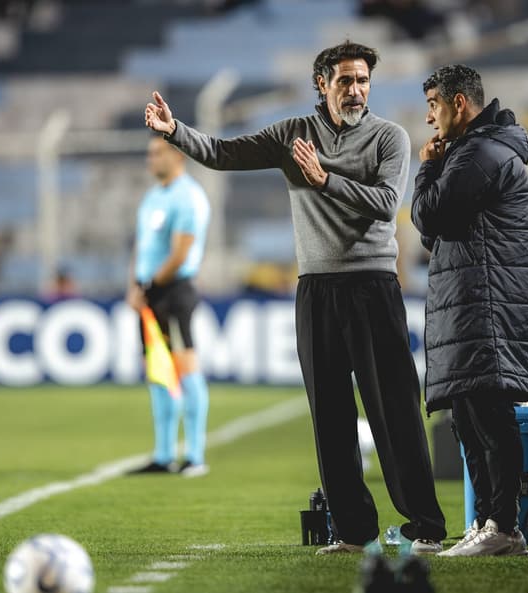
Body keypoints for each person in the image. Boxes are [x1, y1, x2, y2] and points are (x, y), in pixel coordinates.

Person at [144, 40, 446, 554]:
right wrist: (176, 132)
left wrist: (324, 179)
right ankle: (353, 531)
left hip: (373, 286)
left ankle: (427, 526)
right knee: (328, 415)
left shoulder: (389, 137)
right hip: (316, 289)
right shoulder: (291, 135)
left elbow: (386, 204)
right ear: (321, 84)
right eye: (345, 80)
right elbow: (222, 153)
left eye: (363, 80)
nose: (356, 89)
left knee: (393, 409)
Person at [410, 64, 528, 557]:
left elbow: (429, 214)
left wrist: (426, 168)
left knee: (489, 412)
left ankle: (504, 525)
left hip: (485, 300)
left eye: (434, 106)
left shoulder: (481, 152)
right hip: (469, 299)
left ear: (459, 104)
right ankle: (486, 522)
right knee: (469, 415)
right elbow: (432, 233)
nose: (429, 119)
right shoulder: (472, 154)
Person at [126, 136, 211, 478]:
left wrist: (150, 284)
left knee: (186, 369)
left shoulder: (188, 196)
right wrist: (134, 286)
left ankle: (194, 455)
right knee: (159, 372)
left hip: (174, 292)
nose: (151, 159)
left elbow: (181, 253)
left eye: (157, 152)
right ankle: (163, 454)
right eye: (148, 153)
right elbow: (141, 248)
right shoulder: (152, 198)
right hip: (149, 293)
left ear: (178, 155)